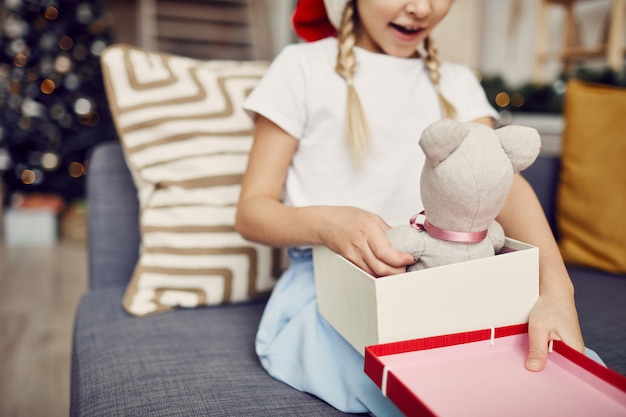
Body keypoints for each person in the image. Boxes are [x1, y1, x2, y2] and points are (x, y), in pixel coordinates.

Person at [236, 0, 587, 414]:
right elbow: (252, 211)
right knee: (440, 390)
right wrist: (328, 222)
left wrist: (557, 292)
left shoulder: (457, 83)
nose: (421, 8)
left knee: (561, 387)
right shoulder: (300, 68)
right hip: (334, 289)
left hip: (452, 282)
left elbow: (506, 185)